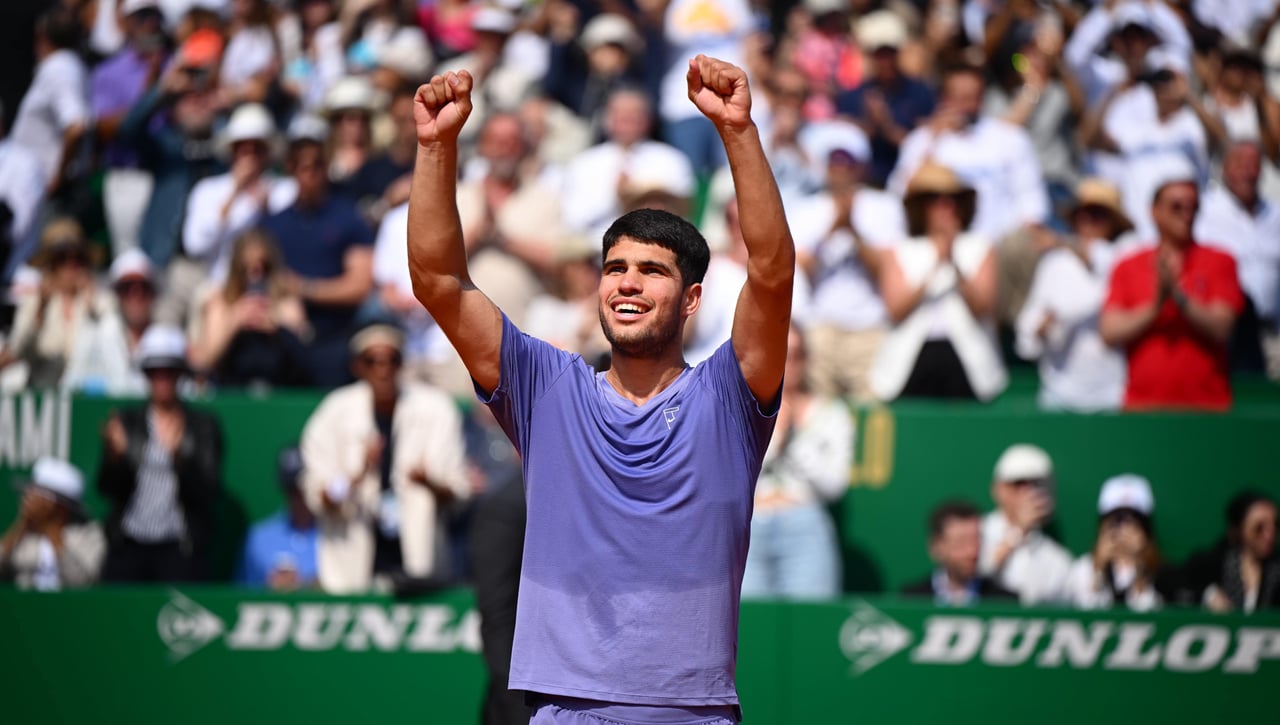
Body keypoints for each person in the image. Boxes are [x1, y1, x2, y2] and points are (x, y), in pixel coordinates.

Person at [407, 53, 793, 723]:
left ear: (693, 297)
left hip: (692, 711)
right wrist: (436, 146)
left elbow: (770, 270)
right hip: (564, 709)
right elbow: (439, 282)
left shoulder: (729, 397)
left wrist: (737, 132)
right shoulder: (546, 388)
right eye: (615, 268)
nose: (627, 282)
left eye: (651, 270)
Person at [299, 324, 470, 594]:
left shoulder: (436, 409)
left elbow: (458, 493)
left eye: (392, 360)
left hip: (418, 564)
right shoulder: (333, 413)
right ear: (357, 366)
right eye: (372, 361)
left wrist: (428, 482)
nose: (383, 369)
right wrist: (357, 475)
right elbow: (320, 497)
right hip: (350, 569)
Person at [1100, 158, 1244, 411]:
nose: (1186, 215)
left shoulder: (1221, 261)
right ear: (1154, 211)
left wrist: (1178, 297)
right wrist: (1156, 305)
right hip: (1143, 407)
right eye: (1176, 207)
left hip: (1207, 406)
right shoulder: (1128, 264)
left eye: (1193, 207)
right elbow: (1110, 331)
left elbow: (1221, 328)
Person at [97, 325, 224, 583]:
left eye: (170, 371)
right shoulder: (127, 423)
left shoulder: (203, 427)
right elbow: (107, 488)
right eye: (154, 372)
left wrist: (180, 459)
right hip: (130, 545)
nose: (162, 379)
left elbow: (208, 490)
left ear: (180, 374)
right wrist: (115, 457)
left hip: (179, 548)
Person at [788, 122, 906, 399]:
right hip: (821, 326)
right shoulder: (806, 209)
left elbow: (887, 270)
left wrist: (853, 230)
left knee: (869, 407)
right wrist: (832, 229)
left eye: (847, 163)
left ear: (860, 167)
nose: (840, 171)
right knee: (821, 409)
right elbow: (800, 269)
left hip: (871, 327)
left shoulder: (884, 206)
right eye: (834, 163)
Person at [870, 162, 1005, 402]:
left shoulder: (980, 247)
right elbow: (896, 309)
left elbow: (983, 307)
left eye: (952, 199)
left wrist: (953, 261)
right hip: (912, 361)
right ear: (922, 207)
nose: (946, 208)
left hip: (965, 361)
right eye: (935, 200)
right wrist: (936, 262)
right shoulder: (899, 250)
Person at [259, 127, 375, 387]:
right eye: (304, 167)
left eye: (318, 166)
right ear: (290, 168)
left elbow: (359, 285)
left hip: (336, 333)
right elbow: (257, 278)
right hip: (283, 336)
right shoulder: (273, 225)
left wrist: (303, 288)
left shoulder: (348, 219)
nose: (311, 175)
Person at [740, 326, 850, 600]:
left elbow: (834, 486)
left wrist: (795, 442)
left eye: (796, 355)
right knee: (750, 627)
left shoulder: (832, 414)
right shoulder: (742, 409)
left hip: (804, 523)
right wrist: (774, 438)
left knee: (810, 626)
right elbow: (731, 475)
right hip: (752, 524)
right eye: (780, 353)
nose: (788, 363)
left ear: (807, 359)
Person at [1015, 179, 1131, 412]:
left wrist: (1059, 241)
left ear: (1113, 223)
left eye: (1098, 214)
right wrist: (1040, 328)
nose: (1088, 222)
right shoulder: (1054, 264)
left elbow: (1102, 257)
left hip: (1112, 395)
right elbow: (1026, 335)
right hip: (1059, 395)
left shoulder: (1125, 256)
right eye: (1082, 214)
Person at [1196, 141, 1280, 376]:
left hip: (1271, 332)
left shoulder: (1275, 214)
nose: (1248, 171)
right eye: (1240, 164)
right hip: (1225, 332)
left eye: (1254, 164)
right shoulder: (1205, 210)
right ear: (1224, 169)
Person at [189, 228, 312, 388]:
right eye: (247, 269)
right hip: (233, 391)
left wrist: (279, 328)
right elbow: (203, 362)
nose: (255, 277)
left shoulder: (287, 303)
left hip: (278, 390)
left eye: (263, 268)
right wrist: (234, 321)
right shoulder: (221, 302)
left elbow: (306, 363)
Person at [0, 218, 113, 388]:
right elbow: (20, 349)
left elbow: (112, 348)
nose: (72, 266)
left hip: (89, 394)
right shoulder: (34, 302)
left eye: (78, 259)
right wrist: (41, 309)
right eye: (62, 259)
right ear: (51, 265)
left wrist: (92, 307)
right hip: (45, 393)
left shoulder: (101, 300)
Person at [834, 10, 935, 188]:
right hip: (863, 185)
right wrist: (870, 123)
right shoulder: (852, 96)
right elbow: (845, 151)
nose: (885, 61)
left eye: (889, 53)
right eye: (879, 54)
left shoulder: (920, 92)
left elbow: (927, 145)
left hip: (908, 182)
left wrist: (887, 126)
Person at [978, 443, 1072, 606]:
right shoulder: (977, 534)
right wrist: (1018, 531)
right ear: (997, 489)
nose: (1028, 493)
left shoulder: (1057, 558)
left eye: (1036, 485)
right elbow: (972, 579)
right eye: (1018, 484)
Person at [0, 457, 105, 591]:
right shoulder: (24, 536)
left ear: (59, 506)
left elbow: (81, 581)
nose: (26, 499)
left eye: (35, 495)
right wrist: (21, 527)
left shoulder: (89, 534)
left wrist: (52, 528)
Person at [63, 248, 157, 396]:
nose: (136, 295)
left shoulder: (166, 339)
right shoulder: (95, 335)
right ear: (116, 294)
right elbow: (71, 387)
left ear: (153, 292)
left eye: (143, 287)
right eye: (126, 288)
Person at [1065, 474, 1162, 611]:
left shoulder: (1159, 571)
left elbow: (1150, 614)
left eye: (1133, 520)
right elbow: (1085, 613)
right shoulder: (1083, 567)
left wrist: (1140, 565)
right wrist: (1098, 568)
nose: (1124, 529)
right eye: (1116, 520)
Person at [1175, 492, 1279, 613]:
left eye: (1275, 526)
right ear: (1240, 528)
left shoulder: (1276, 569)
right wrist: (1208, 595)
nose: (1269, 535)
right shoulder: (1216, 562)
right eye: (1259, 528)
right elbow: (1170, 583)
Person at [901, 500, 1017, 606]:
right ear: (936, 546)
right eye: (961, 542)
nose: (972, 552)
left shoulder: (1004, 602)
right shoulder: (911, 599)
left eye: (976, 540)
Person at [237, 445, 319, 591]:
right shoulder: (258, 538)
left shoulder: (339, 535)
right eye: (292, 490)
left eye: (304, 490)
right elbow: (240, 596)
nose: (299, 498)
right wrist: (270, 589)